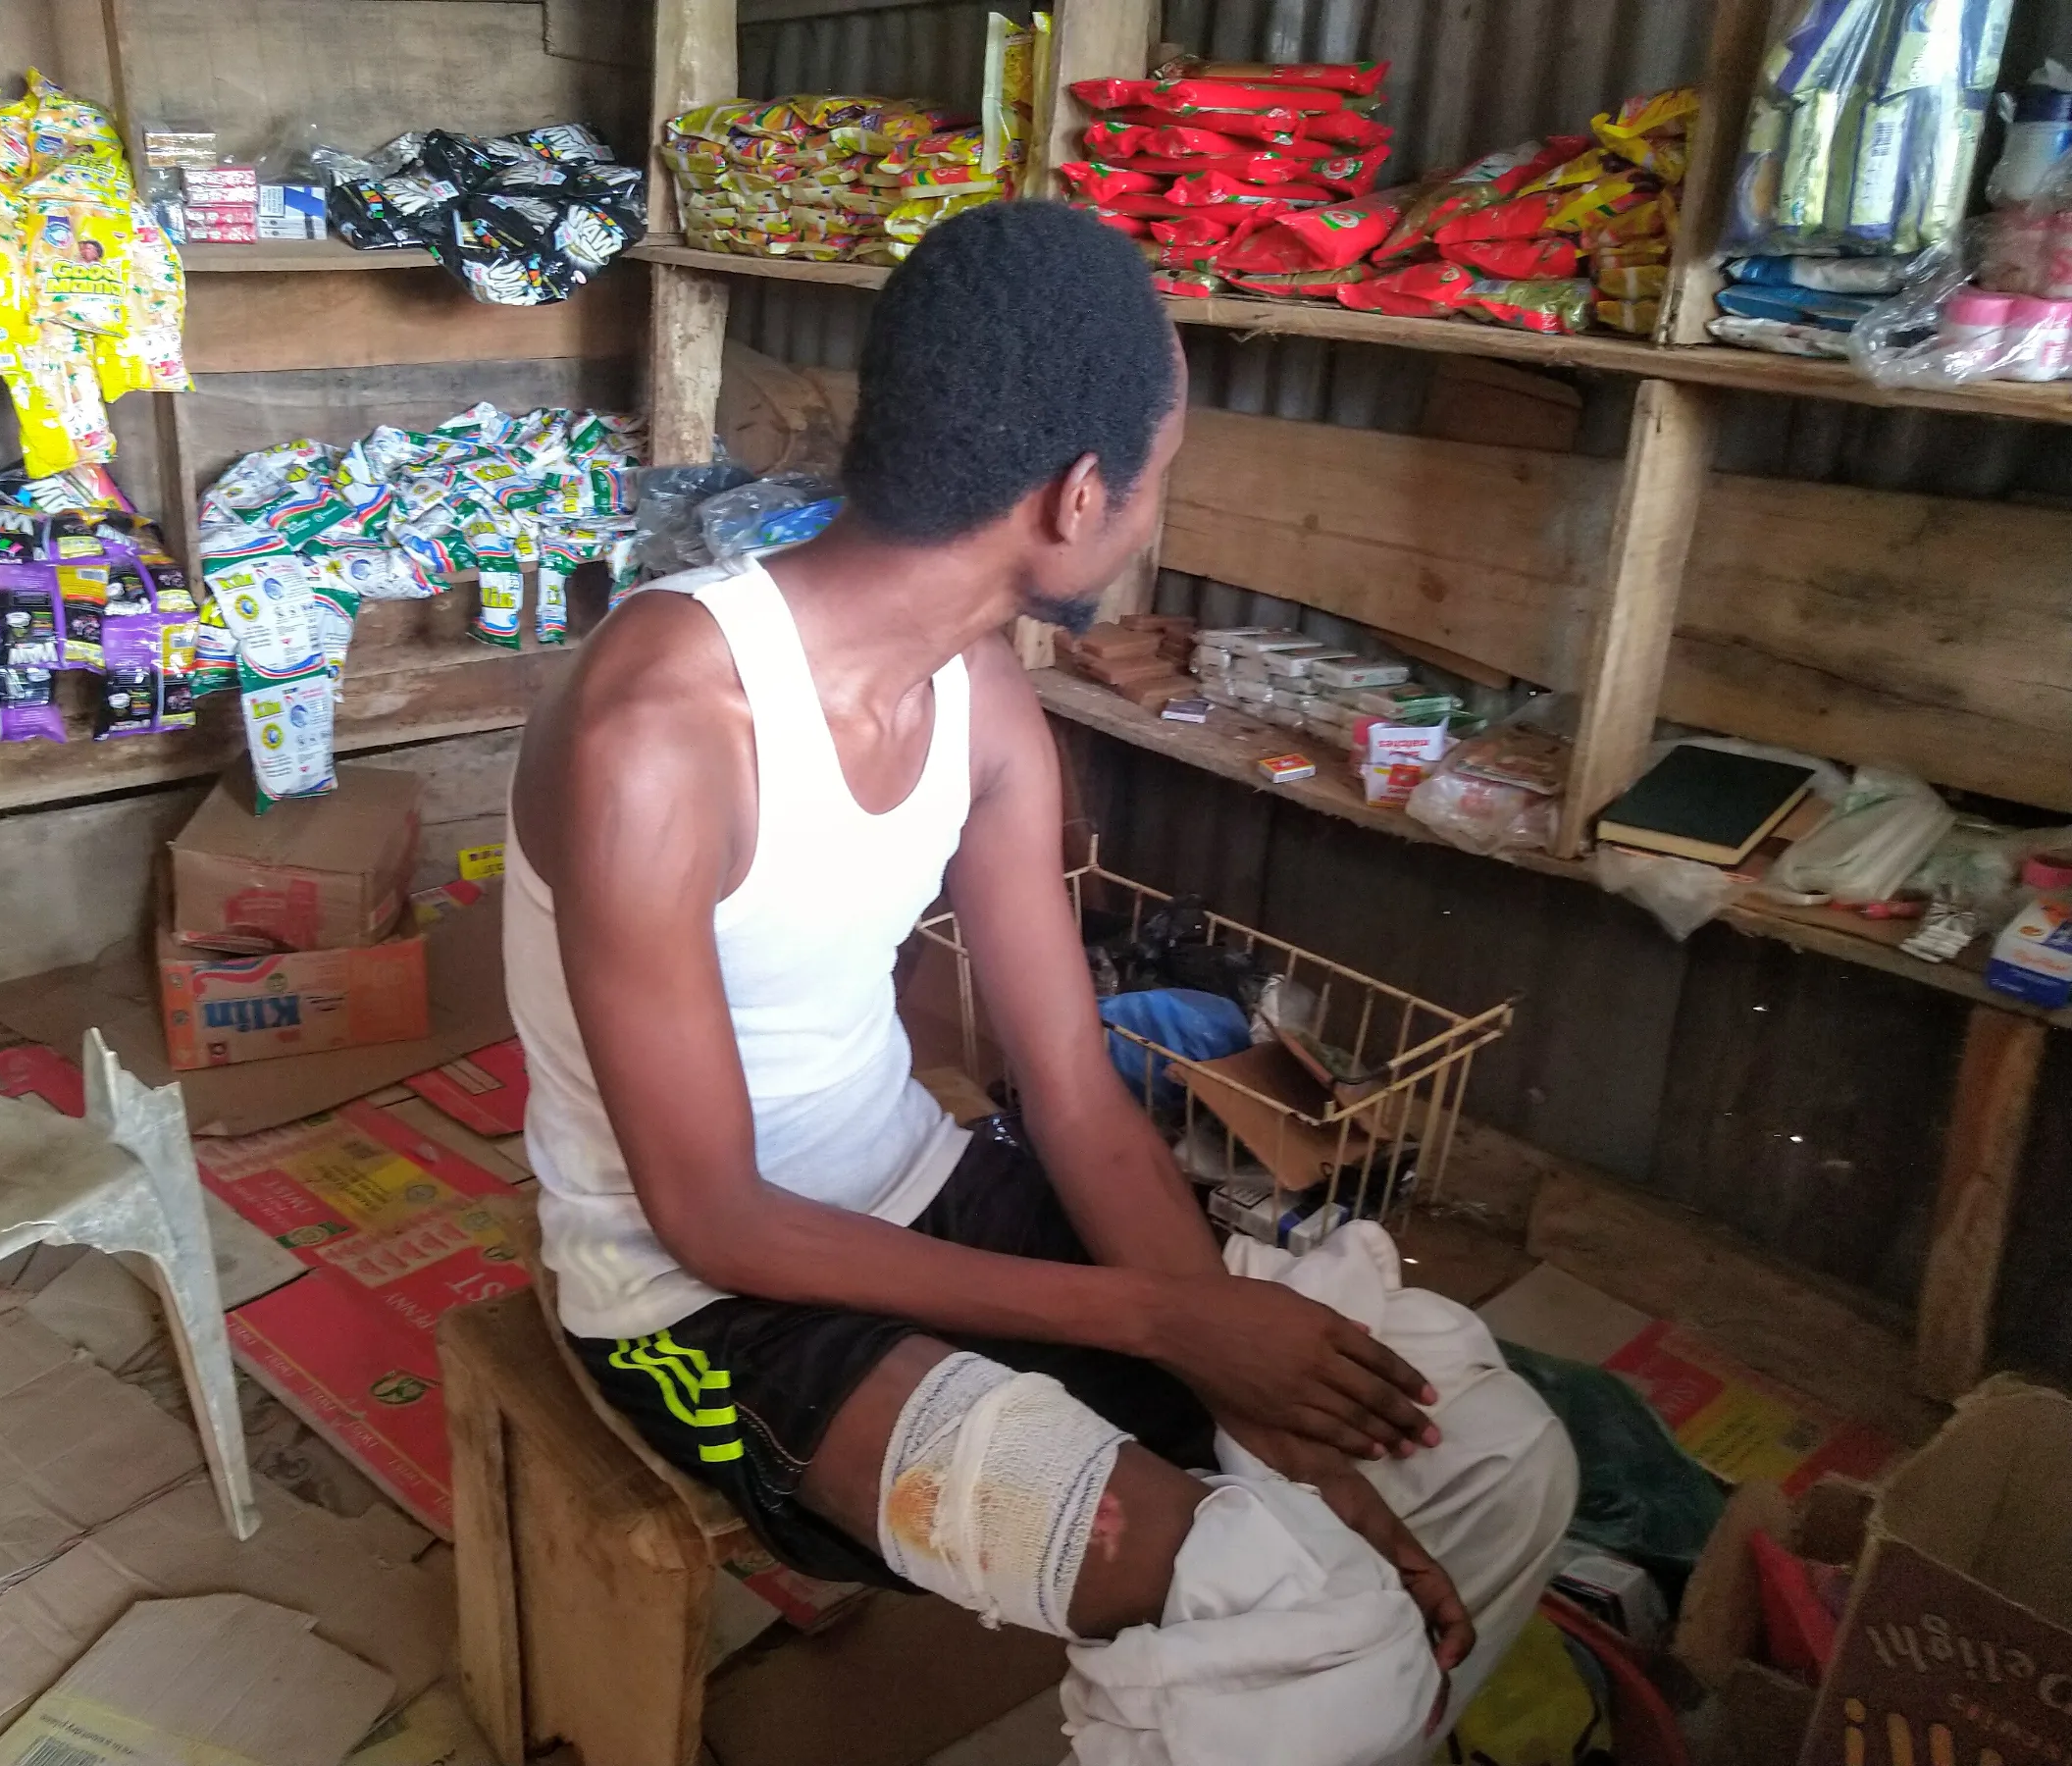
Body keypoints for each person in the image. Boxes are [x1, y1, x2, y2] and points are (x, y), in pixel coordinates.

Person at [504, 201, 1574, 1764]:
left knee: (1491, 1457)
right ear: (1078, 497)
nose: (1150, 514)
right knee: (1298, 1624)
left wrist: (1215, 1341)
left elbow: (1072, 1089)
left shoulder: (984, 695)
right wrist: (1169, 1319)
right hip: (704, 1304)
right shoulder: (660, 732)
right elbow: (712, 1219)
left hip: (918, 1188)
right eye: (1156, 476)